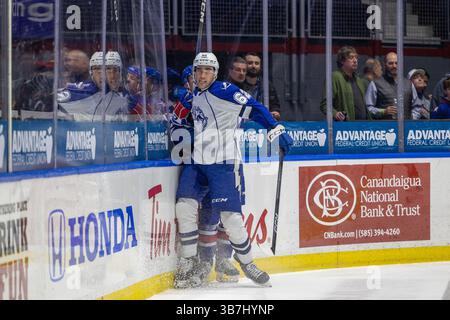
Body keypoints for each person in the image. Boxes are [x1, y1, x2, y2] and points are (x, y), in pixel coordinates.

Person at [173, 52, 293, 288]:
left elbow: (255, 107)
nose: (202, 74)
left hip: (222, 163)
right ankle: (188, 260)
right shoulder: (194, 95)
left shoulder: (224, 91)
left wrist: (276, 129)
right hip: (197, 163)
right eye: (198, 70)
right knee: (183, 205)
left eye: (207, 70)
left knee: (231, 218)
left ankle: (247, 262)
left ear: (215, 73)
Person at [170, 65, 240, 287]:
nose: (199, 80)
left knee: (226, 212)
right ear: (186, 83)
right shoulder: (185, 104)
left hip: (224, 163)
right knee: (195, 211)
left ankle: (223, 259)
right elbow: (174, 128)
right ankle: (197, 261)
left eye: (204, 74)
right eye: (193, 77)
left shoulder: (221, 99)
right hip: (197, 164)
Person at [57, 51, 128, 121]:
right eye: (97, 68)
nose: (102, 74)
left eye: (106, 69)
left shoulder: (123, 95)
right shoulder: (82, 90)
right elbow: (54, 99)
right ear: (91, 72)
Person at [319, 46, 369, 121]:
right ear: (342, 61)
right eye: (351, 57)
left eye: (356, 57)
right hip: (345, 128)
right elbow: (324, 105)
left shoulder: (359, 80)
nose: (355, 60)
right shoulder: (335, 77)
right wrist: (335, 113)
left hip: (363, 127)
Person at [365, 52, 412, 120]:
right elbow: (368, 108)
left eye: (396, 63)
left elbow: (416, 107)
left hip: (406, 127)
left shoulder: (409, 83)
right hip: (384, 128)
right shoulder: (375, 84)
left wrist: (412, 119)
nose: (394, 66)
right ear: (385, 65)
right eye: (390, 63)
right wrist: (383, 111)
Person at [243, 52, 281, 121]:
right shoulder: (238, 85)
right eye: (250, 63)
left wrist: (276, 112)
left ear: (260, 66)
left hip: (262, 124)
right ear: (244, 65)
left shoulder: (267, 85)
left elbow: (275, 105)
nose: (253, 66)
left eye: (256, 63)